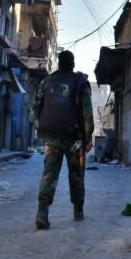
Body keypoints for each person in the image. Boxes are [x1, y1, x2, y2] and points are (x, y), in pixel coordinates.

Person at [31, 50, 94, 229]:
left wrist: (41, 129)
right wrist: (88, 137)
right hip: (74, 139)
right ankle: (78, 211)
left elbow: (34, 111)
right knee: (76, 174)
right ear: (73, 64)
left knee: (49, 174)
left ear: (58, 64)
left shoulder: (45, 82)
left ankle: (42, 211)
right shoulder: (80, 82)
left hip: (51, 139)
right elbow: (87, 112)